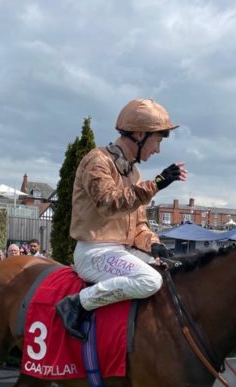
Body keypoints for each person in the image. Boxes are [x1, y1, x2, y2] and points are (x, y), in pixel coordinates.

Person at [56, 98, 187, 340]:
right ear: (139, 134)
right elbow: (109, 204)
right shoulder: (97, 161)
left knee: (172, 271)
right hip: (93, 253)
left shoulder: (133, 172)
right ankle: (75, 304)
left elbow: (138, 224)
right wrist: (156, 184)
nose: (157, 149)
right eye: (157, 140)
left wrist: (154, 244)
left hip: (121, 251)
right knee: (149, 280)